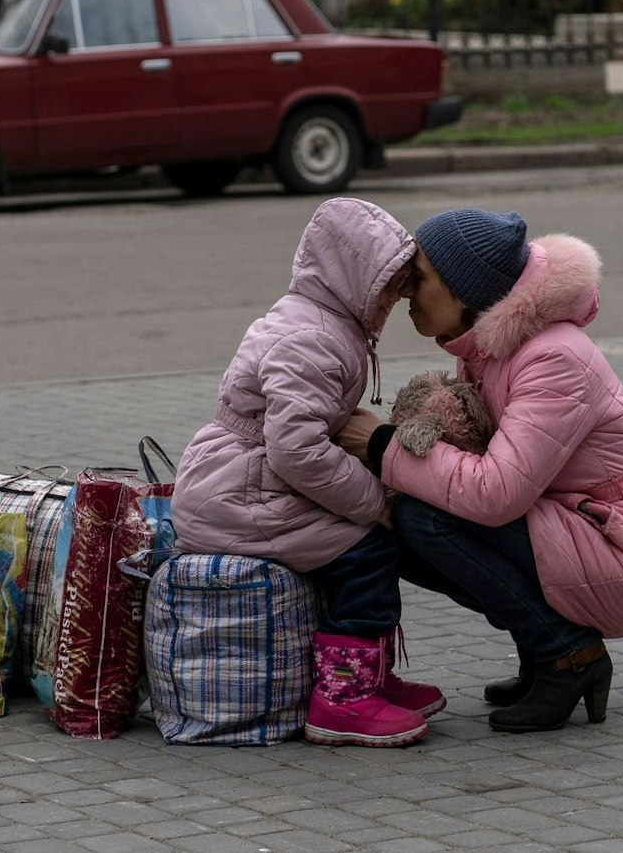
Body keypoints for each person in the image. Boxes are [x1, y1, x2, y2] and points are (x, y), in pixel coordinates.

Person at [340, 209, 623, 733]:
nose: (407, 292)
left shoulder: (553, 359)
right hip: (577, 524)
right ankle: (540, 648)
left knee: (427, 521)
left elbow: (498, 494)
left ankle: (569, 655)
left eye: (422, 278)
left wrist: (383, 445)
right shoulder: (492, 347)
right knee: (403, 526)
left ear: (464, 290)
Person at [172, 197, 444, 748]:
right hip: (240, 493)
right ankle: (345, 700)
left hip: (243, 482)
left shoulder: (319, 319)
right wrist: (375, 500)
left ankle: (368, 676)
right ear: (354, 281)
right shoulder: (314, 339)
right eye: (388, 285)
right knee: (367, 550)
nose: (395, 299)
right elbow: (297, 451)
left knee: (358, 546)